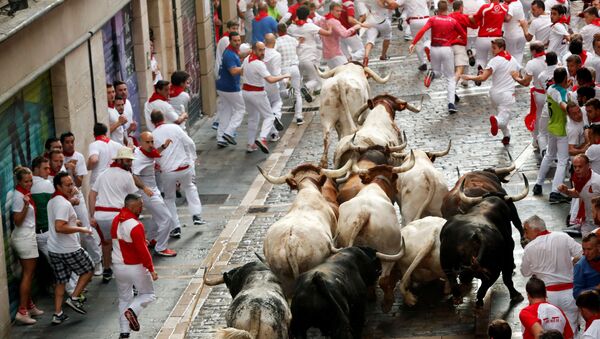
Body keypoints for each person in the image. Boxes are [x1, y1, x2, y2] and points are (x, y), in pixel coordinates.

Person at [521, 215, 582, 334]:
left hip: (548, 296)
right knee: (572, 330)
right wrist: (571, 262)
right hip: (569, 294)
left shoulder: (529, 248)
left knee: (549, 332)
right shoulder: (563, 237)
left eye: (526, 231)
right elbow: (581, 253)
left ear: (536, 230)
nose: (525, 235)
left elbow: (525, 272)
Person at [47, 172, 94, 324]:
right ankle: (74, 298)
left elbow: (62, 222)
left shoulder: (53, 201)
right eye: (67, 185)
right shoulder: (63, 203)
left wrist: (75, 223)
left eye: (71, 184)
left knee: (61, 281)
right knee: (89, 269)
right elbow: (59, 227)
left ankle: (58, 313)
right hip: (68, 248)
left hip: (54, 249)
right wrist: (83, 229)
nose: (71, 187)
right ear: (58, 186)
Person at [89, 147, 142, 283]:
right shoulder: (127, 176)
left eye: (130, 160)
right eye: (127, 160)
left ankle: (107, 270)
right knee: (124, 245)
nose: (129, 163)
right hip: (117, 216)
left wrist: (92, 215)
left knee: (106, 244)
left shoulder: (103, 173)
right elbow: (134, 197)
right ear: (119, 159)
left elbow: (92, 194)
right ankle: (129, 276)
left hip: (101, 215)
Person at [151, 110, 206, 238]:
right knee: (190, 187)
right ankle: (196, 215)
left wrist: (158, 164)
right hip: (184, 167)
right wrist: (193, 158)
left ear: (152, 122)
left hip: (168, 171)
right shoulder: (175, 128)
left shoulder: (152, 134)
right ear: (163, 118)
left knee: (169, 198)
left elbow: (153, 154)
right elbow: (190, 143)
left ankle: (175, 227)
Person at [111, 194, 158, 338]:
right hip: (135, 267)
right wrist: (151, 269)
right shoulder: (135, 225)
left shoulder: (116, 220)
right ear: (131, 207)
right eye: (140, 205)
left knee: (124, 298)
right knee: (148, 294)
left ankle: (124, 332)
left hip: (118, 267)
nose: (142, 208)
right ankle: (132, 310)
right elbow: (143, 251)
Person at [409, 0, 467, 114]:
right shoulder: (452, 21)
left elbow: (422, 31)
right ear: (447, 9)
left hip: (434, 49)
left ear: (438, 10)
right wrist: (454, 40)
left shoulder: (433, 19)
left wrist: (413, 43)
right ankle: (451, 104)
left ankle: (433, 74)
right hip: (447, 49)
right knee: (450, 78)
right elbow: (464, 36)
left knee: (437, 72)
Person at [461, 38, 520, 144]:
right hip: (507, 95)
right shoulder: (513, 60)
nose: (492, 50)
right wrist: (470, 77)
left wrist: (471, 77)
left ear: (501, 48)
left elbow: (483, 77)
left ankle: (507, 135)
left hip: (494, 94)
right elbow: (519, 73)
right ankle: (497, 122)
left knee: (501, 113)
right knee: (503, 117)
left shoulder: (495, 61)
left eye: (494, 48)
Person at [61, 131, 102, 276]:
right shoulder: (59, 159)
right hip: (62, 198)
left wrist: (72, 170)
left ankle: (97, 261)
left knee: (86, 229)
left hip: (76, 195)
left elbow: (79, 182)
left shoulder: (78, 157)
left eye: (72, 141)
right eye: (67, 142)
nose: (70, 144)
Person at [132, 131, 177, 257]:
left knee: (156, 217)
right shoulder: (138, 158)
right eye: (148, 142)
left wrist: (163, 147)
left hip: (153, 190)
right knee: (166, 218)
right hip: (148, 193)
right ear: (141, 142)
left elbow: (153, 153)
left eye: (152, 141)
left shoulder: (146, 152)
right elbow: (133, 175)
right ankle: (161, 247)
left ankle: (152, 239)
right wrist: (144, 188)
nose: (151, 144)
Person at [532, 67, 572, 203]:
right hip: (562, 129)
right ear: (565, 79)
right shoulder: (562, 93)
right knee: (562, 160)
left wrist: (565, 87)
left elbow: (558, 93)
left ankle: (538, 184)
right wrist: (572, 110)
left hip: (552, 127)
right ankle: (555, 192)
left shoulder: (551, 88)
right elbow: (562, 104)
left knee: (549, 155)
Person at [241, 41, 290, 154]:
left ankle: (250, 144)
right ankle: (262, 138)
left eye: (263, 49)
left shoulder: (247, 59)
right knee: (269, 117)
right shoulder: (258, 64)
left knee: (253, 117)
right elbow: (270, 80)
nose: (263, 52)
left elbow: (242, 72)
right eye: (260, 50)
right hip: (257, 93)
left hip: (245, 92)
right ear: (254, 50)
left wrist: (251, 76)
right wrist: (285, 75)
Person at [11, 166, 44, 324]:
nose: (29, 183)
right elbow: (17, 221)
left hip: (27, 236)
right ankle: (22, 311)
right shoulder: (19, 197)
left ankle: (29, 306)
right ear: (19, 181)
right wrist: (25, 205)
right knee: (28, 275)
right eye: (26, 181)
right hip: (24, 238)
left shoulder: (23, 193)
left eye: (31, 180)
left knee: (28, 274)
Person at [512, 41, 548, 152]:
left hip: (539, 95)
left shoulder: (532, 63)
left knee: (538, 117)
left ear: (533, 51)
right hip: (551, 93)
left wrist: (516, 77)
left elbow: (526, 82)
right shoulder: (552, 59)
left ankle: (537, 140)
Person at [287, 5, 331, 95]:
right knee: (317, 80)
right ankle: (306, 88)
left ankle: (297, 96)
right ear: (307, 16)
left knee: (298, 80)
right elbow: (327, 34)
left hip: (296, 59)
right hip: (309, 58)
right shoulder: (310, 26)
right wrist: (330, 27)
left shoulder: (291, 28)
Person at [216, 31, 245, 148]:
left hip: (221, 87)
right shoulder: (229, 55)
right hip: (230, 88)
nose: (238, 43)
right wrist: (246, 68)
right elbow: (233, 71)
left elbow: (237, 58)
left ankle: (220, 137)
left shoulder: (230, 51)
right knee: (241, 109)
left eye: (239, 40)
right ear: (230, 41)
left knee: (226, 111)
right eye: (235, 41)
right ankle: (229, 132)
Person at [276, 23, 309, 125]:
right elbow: (298, 43)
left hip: (283, 70)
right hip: (295, 68)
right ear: (286, 30)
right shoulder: (292, 39)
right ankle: (299, 117)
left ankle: (277, 116)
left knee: (280, 94)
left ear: (278, 32)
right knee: (297, 93)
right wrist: (301, 39)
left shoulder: (277, 42)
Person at [559, 154, 600, 236]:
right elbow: (578, 193)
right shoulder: (577, 179)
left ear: (588, 166)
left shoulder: (597, 181)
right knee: (587, 247)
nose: (577, 169)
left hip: (598, 222)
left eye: (580, 166)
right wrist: (566, 191)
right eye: (575, 167)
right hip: (587, 222)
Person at [470, 0, 508, 77]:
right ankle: (497, 76)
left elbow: (475, 19)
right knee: (496, 60)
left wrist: (470, 17)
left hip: (482, 37)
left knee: (481, 58)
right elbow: (506, 19)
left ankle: (480, 70)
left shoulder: (485, 7)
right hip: (497, 39)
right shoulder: (505, 7)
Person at [319, 2, 362, 69]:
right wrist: (355, 27)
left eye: (340, 11)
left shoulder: (322, 19)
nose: (339, 13)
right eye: (337, 11)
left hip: (327, 55)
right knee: (347, 71)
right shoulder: (334, 22)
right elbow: (344, 34)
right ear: (331, 10)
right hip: (335, 54)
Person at [361, 0, 399, 66]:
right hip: (383, 21)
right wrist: (385, 6)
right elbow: (392, 4)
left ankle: (366, 56)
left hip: (371, 20)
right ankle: (383, 55)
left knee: (370, 40)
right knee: (387, 37)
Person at [397, 0, 431, 71]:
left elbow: (396, 4)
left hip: (414, 21)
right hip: (426, 19)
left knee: (418, 42)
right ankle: (427, 46)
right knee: (428, 39)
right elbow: (430, 2)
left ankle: (423, 63)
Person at [263, 33, 285, 142]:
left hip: (261, 84)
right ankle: (275, 117)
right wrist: (285, 80)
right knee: (277, 103)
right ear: (274, 42)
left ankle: (273, 134)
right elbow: (276, 73)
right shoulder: (276, 55)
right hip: (272, 83)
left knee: (267, 110)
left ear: (265, 41)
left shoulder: (261, 52)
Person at [87, 123, 123, 187]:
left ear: (94, 134)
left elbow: (94, 160)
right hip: (114, 179)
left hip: (99, 181)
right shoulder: (117, 145)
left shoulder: (94, 144)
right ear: (106, 133)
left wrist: (88, 166)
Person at [574, 233, 600, 298]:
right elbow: (576, 293)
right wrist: (596, 288)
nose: (586, 253)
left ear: (598, 247)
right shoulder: (580, 266)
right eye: (584, 249)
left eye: (589, 249)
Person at [503, 0, 528, 66]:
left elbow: (508, 19)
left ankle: (513, 73)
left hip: (511, 35)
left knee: (510, 56)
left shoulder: (511, 6)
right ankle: (518, 71)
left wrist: (498, 15)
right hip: (522, 34)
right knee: (519, 54)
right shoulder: (518, 2)